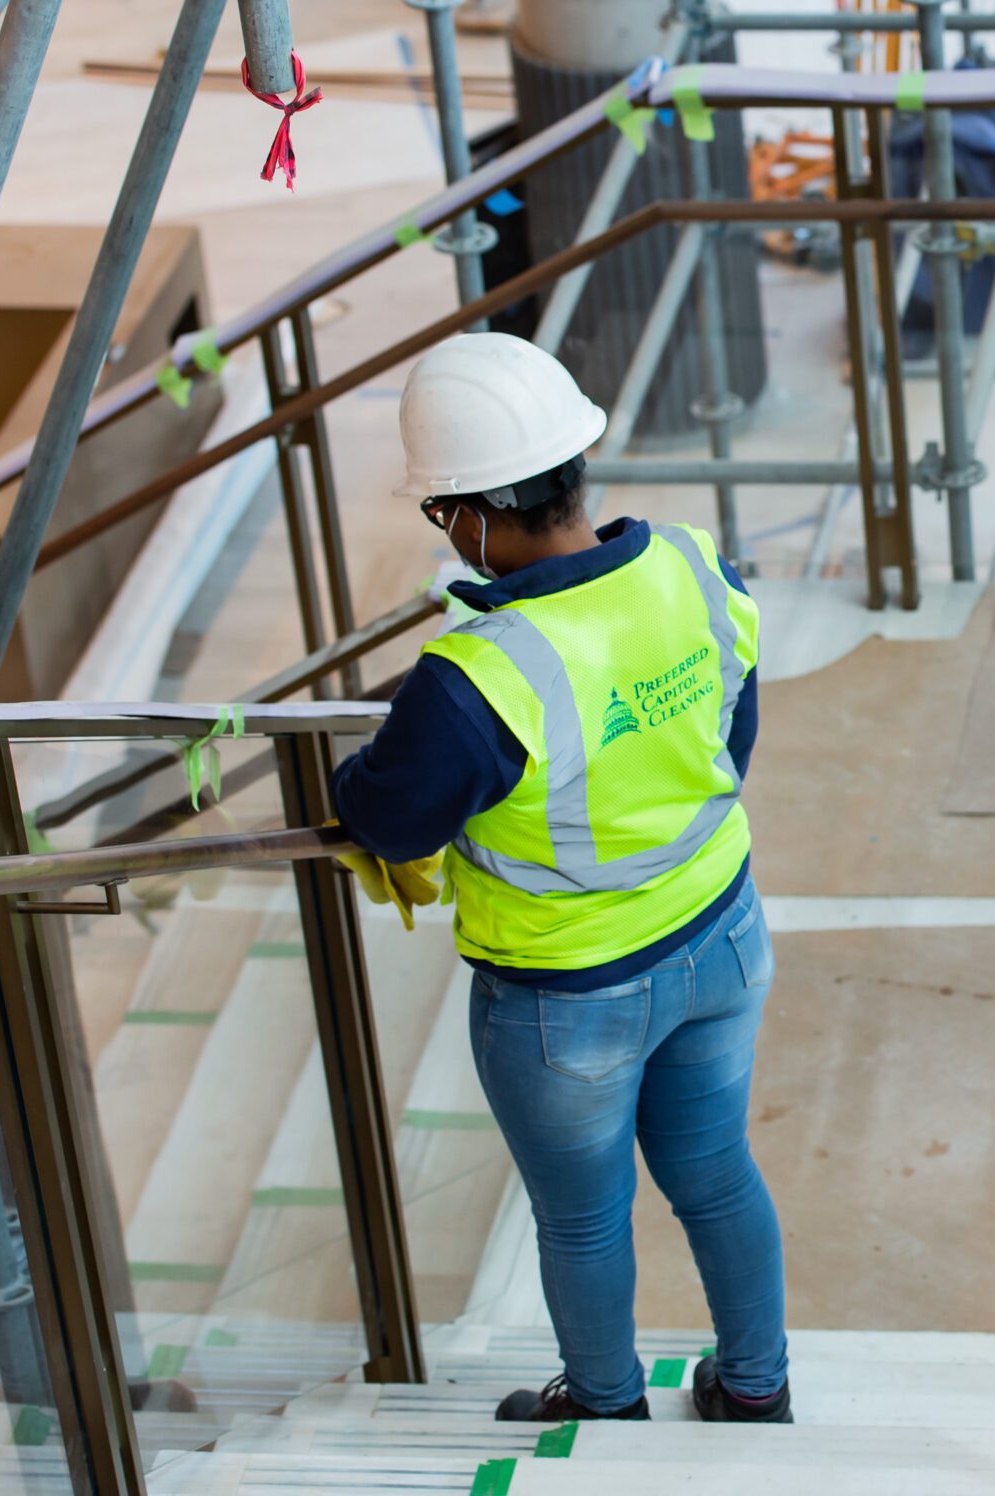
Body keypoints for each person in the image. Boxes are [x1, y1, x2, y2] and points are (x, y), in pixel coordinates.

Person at [330, 332, 792, 1430]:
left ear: (468, 515)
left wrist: (359, 773)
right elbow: (735, 737)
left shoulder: (478, 676)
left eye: (444, 518)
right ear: (575, 464)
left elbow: (388, 812)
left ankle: (605, 1411)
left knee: (584, 1220)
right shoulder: (692, 566)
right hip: (721, 935)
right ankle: (756, 1389)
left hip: (564, 998)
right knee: (717, 1175)